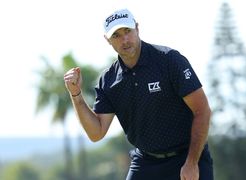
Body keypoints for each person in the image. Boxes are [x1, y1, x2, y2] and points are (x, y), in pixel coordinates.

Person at [64, 8, 214, 180]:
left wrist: (192, 163)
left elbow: (202, 111)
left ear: (137, 28)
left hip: (188, 156)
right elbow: (96, 133)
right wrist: (76, 94)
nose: (125, 39)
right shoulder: (109, 80)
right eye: (116, 35)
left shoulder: (168, 60)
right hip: (146, 161)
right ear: (108, 40)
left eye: (127, 31)